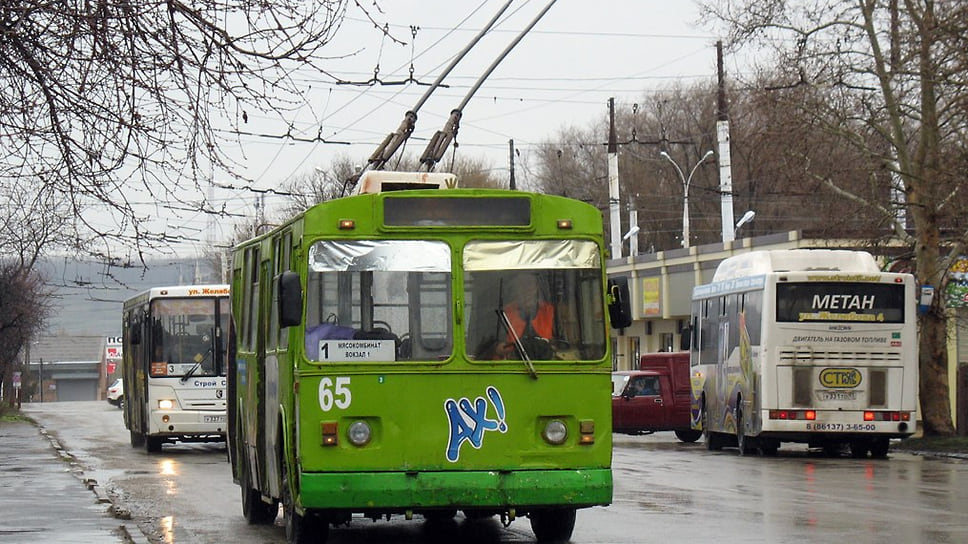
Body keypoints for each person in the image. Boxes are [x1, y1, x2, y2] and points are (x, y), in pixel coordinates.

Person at [497, 272, 556, 359]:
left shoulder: (549, 311)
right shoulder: (505, 313)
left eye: (529, 284)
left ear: (537, 288)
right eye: (521, 285)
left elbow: (563, 345)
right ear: (515, 290)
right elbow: (495, 346)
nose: (526, 290)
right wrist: (498, 348)